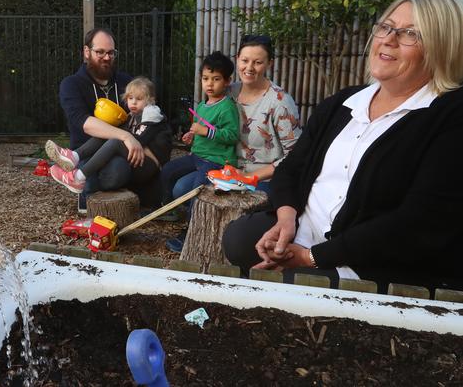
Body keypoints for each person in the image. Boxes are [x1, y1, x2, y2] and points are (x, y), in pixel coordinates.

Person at [223, 0, 463, 293]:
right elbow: (292, 167)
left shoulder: (450, 117)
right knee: (240, 239)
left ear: (442, 48)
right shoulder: (344, 103)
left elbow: (417, 224)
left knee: (271, 292)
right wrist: (286, 218)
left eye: (409, 34)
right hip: (306, 235)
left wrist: (312, 257)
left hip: (371, 261)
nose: (388, 39)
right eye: (386, 27)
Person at [161, 51, 240, 252]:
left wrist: (205, 131)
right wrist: (191, 136)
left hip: (217, 162)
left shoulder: (227, 107)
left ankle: (191, 232)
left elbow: (231, 135)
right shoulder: (203, 105)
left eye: (216, 79)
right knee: (168, 170)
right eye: (206, 79)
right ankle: (168, 209)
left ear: (227, 81)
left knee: (197, 190)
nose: (210, 84)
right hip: (197, 156)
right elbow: (200, 131)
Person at [47, 76, 171, 193]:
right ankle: (74, 156)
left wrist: (121, 135)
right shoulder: (134, 115)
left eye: (139, 99)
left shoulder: (152, 115)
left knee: (116, 140)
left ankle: (78, 178)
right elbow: (124, 135)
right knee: (110, 131)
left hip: (150, 167)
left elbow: (139, 139)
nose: (133, 103)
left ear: (151, 100)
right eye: (130, 98)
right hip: (139, 159)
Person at [58, 28, 137, 212]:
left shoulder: (127, 82)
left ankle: (106, 193)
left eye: (111, 52)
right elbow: (84, 122)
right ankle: (87, 191)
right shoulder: (71, 85)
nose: (107, 57)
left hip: (120, 153)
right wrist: (125, 135)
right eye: (100, 52)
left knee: (119, 169)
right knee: (96, 175)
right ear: (87, 52)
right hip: (86, 154)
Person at [230, 35, 301, 193]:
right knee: (181, 187)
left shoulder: (280, 102)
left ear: (269, 63)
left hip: (266, 178)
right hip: (229, 170)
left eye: (258, 62)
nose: (249, 68)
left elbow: (295, 155)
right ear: (237, 59)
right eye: (245, 60)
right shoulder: (229, 93)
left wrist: (250, 176)